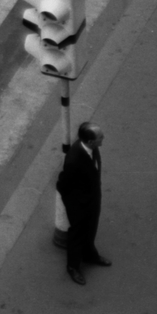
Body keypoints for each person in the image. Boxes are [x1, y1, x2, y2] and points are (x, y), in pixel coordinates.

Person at [56, 121, 108, 284]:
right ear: (90, 141)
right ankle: (73, 266)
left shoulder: (92, 148)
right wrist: (74, 204)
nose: (103, 138)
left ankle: (90, 255)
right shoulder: (74, 159)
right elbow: (63, 184)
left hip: (92, 199)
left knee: (91, 228)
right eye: (101, 137)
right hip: (79, 204)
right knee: (77, 234)